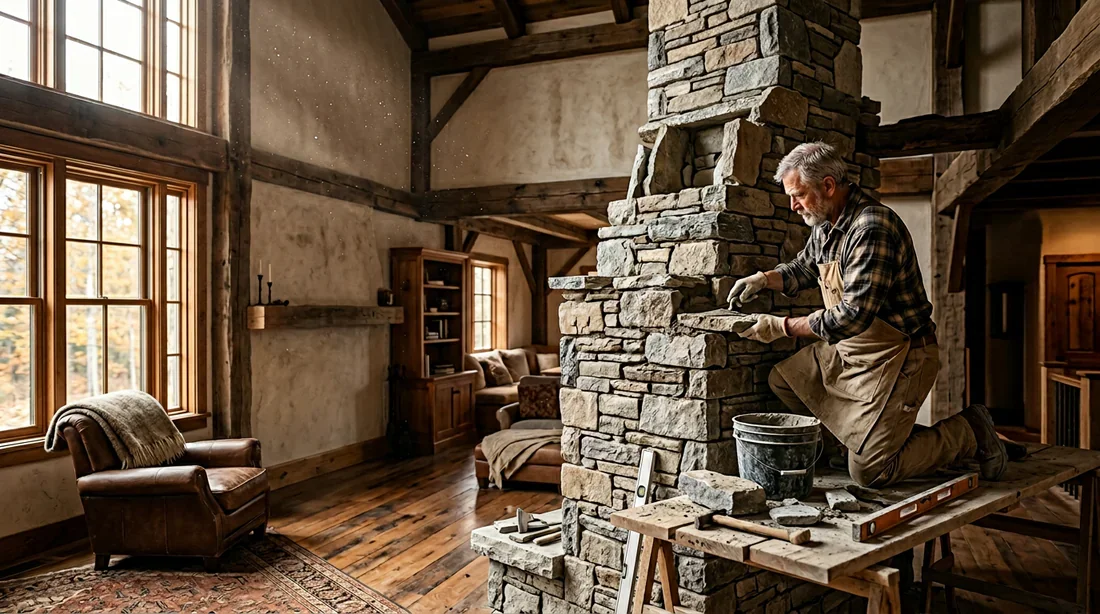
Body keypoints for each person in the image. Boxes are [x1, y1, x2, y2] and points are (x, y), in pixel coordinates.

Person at [731, 141, 1008, 488]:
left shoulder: (872, 227)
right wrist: (764, 279)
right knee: (785, 381)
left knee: (870, 472)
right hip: (853, 350)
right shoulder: (826, 225)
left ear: (828, 186)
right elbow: (803, 268)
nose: (792, 206)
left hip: (901, 355)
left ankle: (970, 430)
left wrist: (782, 327)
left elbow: (853, 316)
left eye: (799, 194)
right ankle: (849, 447)